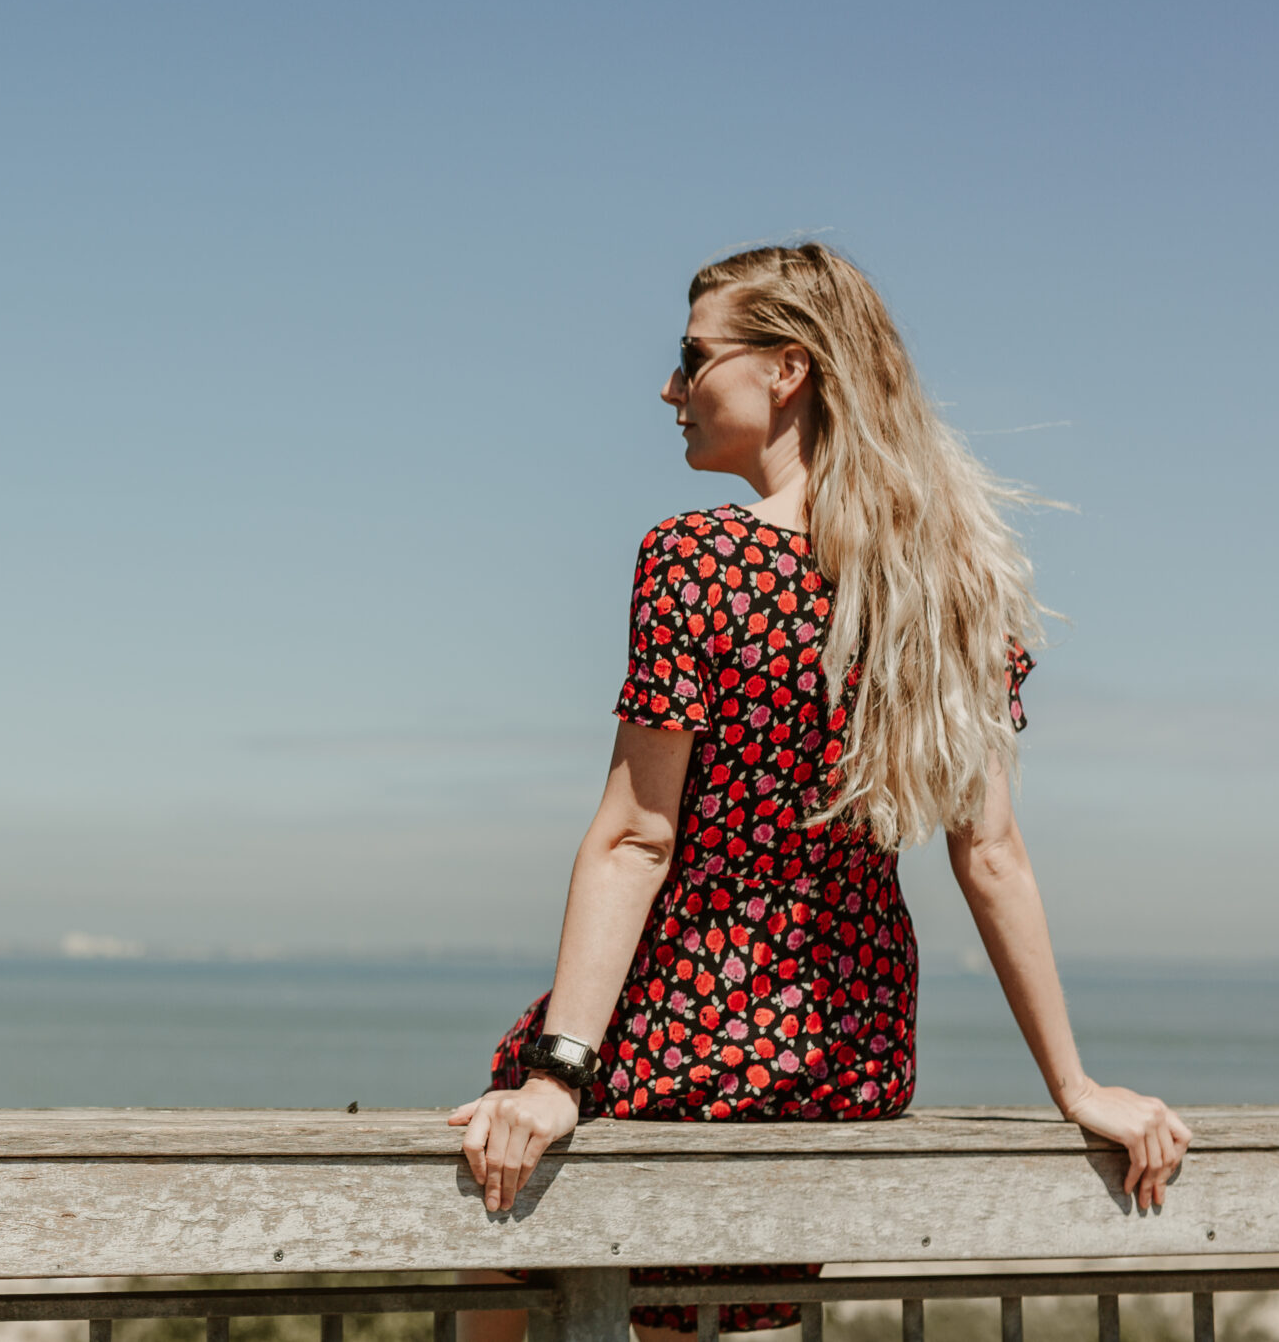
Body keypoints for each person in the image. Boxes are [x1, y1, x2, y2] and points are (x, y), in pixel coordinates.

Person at [450, 243, 1190, 1341]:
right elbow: (990, 853)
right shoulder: (950, 582)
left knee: (498, 1222)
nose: (670, 388)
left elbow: (637, 840)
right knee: (716, 1315)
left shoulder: (697, 558)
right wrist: (1075, 1086)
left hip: (687, 1035)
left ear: (787, 368)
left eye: (693, 357)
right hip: (848, 1047)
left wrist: (558, 1072)